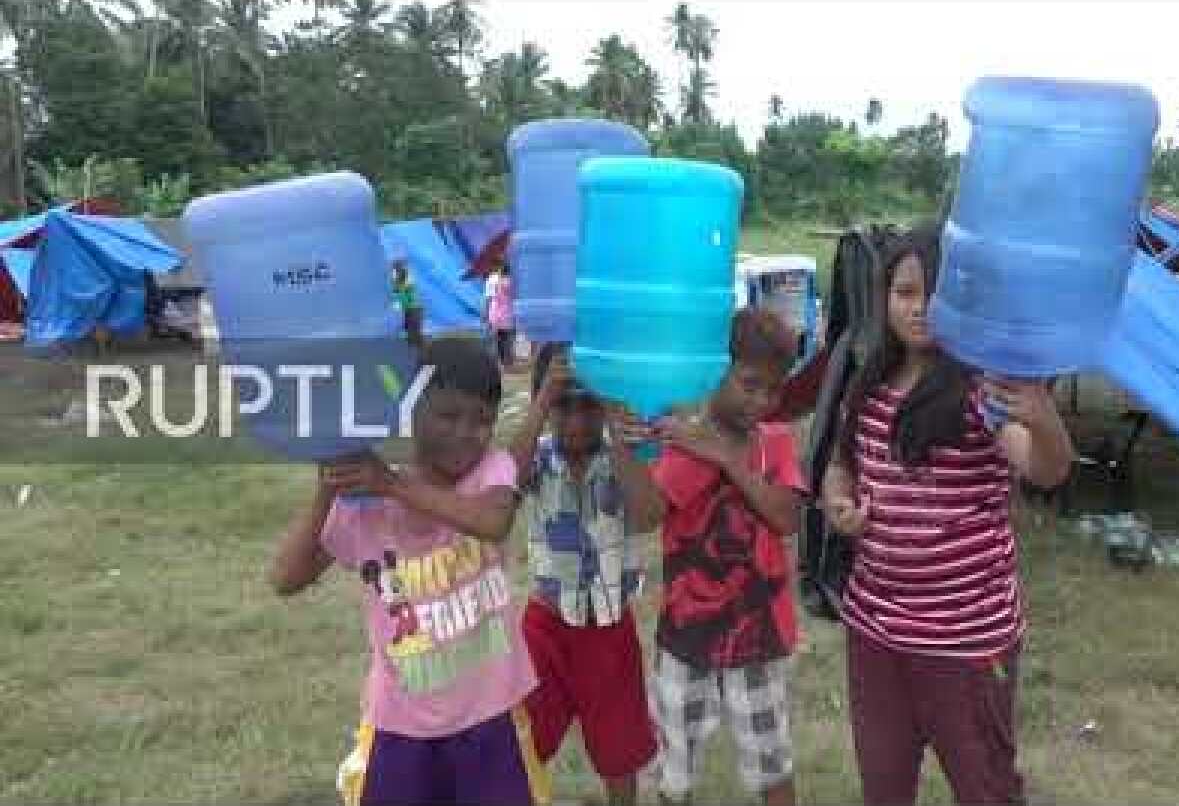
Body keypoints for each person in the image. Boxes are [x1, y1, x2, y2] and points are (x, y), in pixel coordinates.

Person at [819, 228, 1074, 806]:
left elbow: (1044, 469)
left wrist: (1043, 418)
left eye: (935, 294)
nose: (918, 308)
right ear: (884, 298)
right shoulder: (869, 382)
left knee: (985, 788)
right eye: (905, 292)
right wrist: (839, 504)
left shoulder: (983, 390)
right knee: (883, 789)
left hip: (966, 644)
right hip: (875, 631)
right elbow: (842, 463)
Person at [270, 337, 546, 806]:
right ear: (409, 411)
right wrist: (326, 491)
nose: (467, 433)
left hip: (491, 718)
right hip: (399, 725)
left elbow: (494, 522)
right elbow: (285, 578)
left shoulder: (490, 474)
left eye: (482, 420)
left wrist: (392, 485)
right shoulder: (366, 505)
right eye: (448, 416)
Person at [639, 307, 805, 806]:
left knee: (771, 762)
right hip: (686, 638)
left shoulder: (773, 444)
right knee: (673, 767)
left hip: (758, 639)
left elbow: (787, 517)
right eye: (749, 384)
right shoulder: (683, 443)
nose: (761, 401)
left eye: (772, 391)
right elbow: (647, 514)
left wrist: (728, 459)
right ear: (716, 371)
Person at [509, 343, 662, 806]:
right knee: (522, 745)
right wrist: (540, 402)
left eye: (589, 404)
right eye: (562, 405)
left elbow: (650, 513)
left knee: (620, 753)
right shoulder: (536, 456)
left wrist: (617, 421)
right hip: (545, 627)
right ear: (546, 403)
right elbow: (501, 485)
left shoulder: (623, 459)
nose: (576, 421)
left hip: (609, 629)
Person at [487, 264, 517, 369]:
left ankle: (498, 363)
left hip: (495, 314)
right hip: (509, 315)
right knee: (508, 340)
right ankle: (507, 363)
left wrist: (486, 313)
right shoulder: (513, 283)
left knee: (497, 340)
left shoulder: (494, 280)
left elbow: (489, 298)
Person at [391, 259, 424, 351]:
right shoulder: (400, 279)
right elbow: (397, 290)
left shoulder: (407, 279)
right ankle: (414, 348)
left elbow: (404, 288)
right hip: (409, 309)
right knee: (409, 330)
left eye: (395, 270)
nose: (394, 273)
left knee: (415, 332)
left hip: (414, 309)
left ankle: (422, 350)